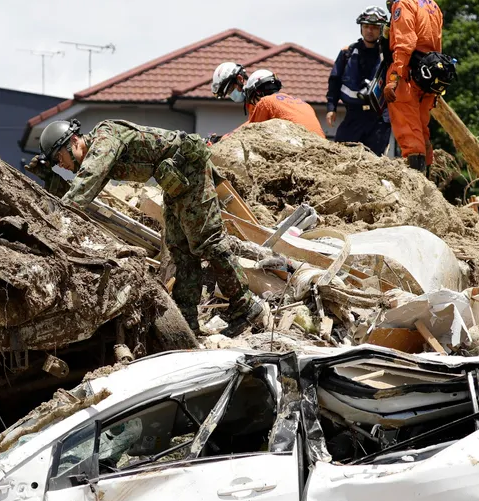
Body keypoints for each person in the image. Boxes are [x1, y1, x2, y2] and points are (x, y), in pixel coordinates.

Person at [35, 118, 265, 334]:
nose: (61, 165)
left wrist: (54, 218)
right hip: (175, 180)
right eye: (56, 163)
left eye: (59, 158)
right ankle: (187, 321)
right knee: (180, 249)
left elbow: (85, 184)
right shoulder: (96, 153)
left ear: (74, 141)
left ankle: (245, 307)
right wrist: (49, 178)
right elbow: (81, 190)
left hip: (190, 171)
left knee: (207, 242)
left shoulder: (105, 140)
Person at [377, 0, 444, 173]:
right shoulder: (432, 3)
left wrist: (394, 78)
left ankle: (416, 185)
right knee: (422, 130)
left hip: (407, 75)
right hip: (430, 76)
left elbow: (405, 43)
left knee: (408, 130)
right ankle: (429, 185)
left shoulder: (404, 2)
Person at [326, 7, 392, 153]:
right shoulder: (347, 53)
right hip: (353, 115)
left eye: (374, 27)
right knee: (340, 155)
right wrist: (332, 108)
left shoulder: (389, 56)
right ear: (361, 28)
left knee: (374, 162)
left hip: (379, 119)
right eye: (366, 26)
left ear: (382, 29)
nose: (370, 30)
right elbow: (334, 81)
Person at [210, 64, 325, 136]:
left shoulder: (265, 103)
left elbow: (249, 131)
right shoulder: (303, 103)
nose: (231, 95)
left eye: (230, 90)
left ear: (257, 92)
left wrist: (221, 139)